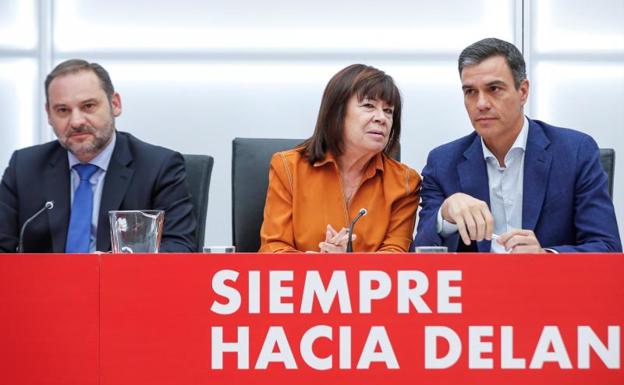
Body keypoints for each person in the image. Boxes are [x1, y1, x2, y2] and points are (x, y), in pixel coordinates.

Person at [413, 38, 621, 253]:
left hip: (549, 284)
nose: (481, 104)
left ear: (522, 91)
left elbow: (608, 248)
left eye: (494, 88)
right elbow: (419, 255)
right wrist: (444, 215)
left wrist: (545, 257)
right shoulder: (443, 162)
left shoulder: (575, 152)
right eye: (470, 92)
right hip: (476, 285)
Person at [0, 59, 196, 253]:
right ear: (49, 115)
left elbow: (179, 250)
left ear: (115, 104)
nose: (76, 121)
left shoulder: (158, 167)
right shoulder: (24, 168)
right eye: (62, 110)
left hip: (123, 283)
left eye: (88, 106)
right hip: (44, 284)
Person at [260, 64, 420, 253]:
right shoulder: (288, 168)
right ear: (337, 112)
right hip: (300, 282)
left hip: (372, 283)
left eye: (388, 111)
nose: (381, 118)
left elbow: (396, 255)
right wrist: (313, 266)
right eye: (369, 106)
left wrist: (348, 262)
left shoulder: (406, 182)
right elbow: (273, 248)